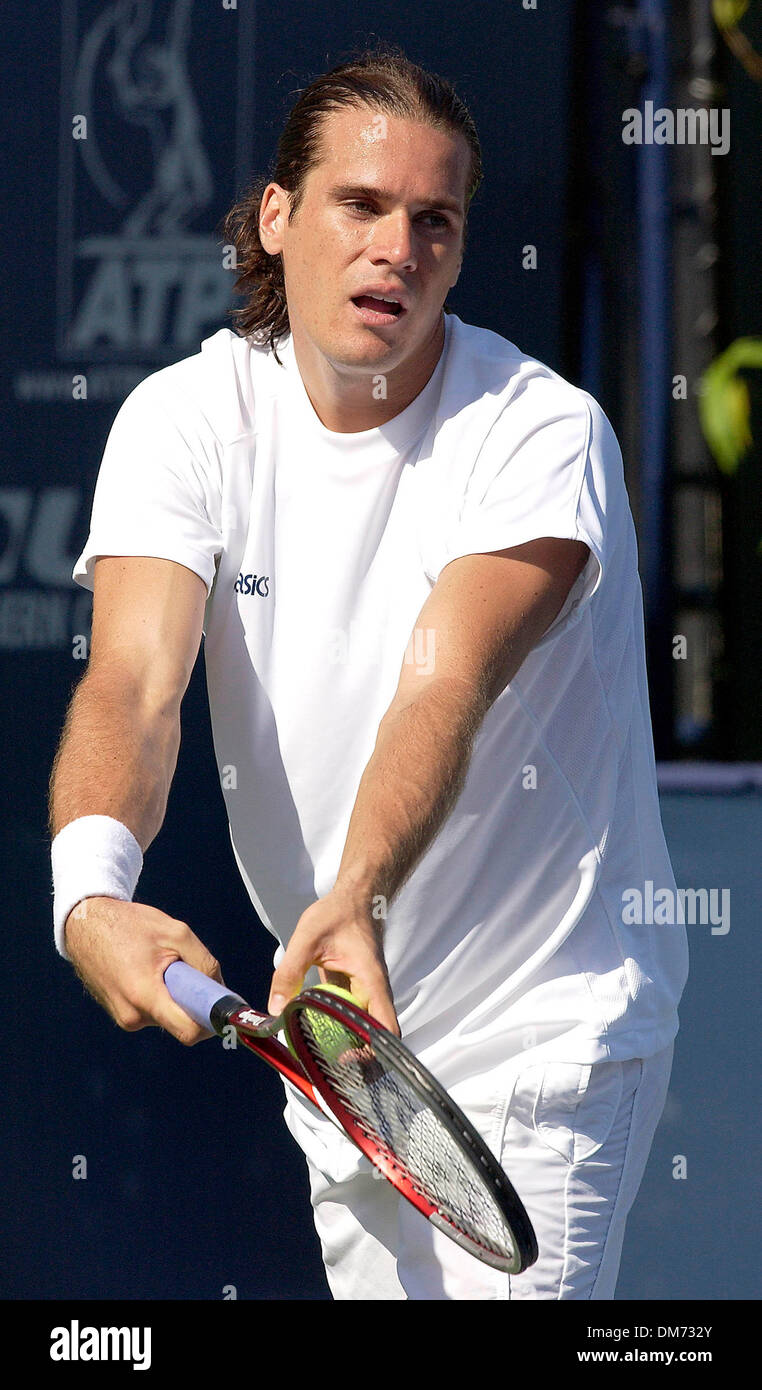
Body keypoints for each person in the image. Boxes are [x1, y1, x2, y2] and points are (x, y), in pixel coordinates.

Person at [49, 43, 688, 1300]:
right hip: (347, 1053)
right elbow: (134, 681)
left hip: (543, 1033)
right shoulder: (184, 422)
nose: (398, 245)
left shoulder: (539, 433)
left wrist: (358, 895)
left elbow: (441, 684)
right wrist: (89, 891)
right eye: (361, 204)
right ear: (276, 218)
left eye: (434, 220)